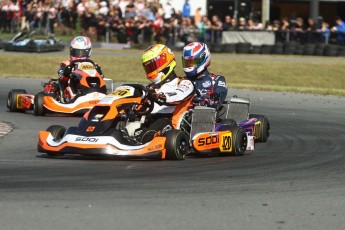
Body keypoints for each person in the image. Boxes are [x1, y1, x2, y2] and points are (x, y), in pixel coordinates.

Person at [134, 44, 195, 143]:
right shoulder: (150, 88)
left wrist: (160, 97)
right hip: (147, 120)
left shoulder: (184, 83)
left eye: (152, 66)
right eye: (148, 67)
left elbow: (178, 96)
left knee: (142, 138)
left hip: (168, 121)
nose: (150, 70)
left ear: (165, 62)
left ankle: (139, 142)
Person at [57, 36, 104, 102]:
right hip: (74, 90)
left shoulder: (93, 64)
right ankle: (75, 98)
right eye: (76, 52)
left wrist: (99, 72)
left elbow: (101, 77)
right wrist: (67, 73)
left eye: (82, 52)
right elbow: (61, 80)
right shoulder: (66, 64)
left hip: (90, 88)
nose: (79, 55)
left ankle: (100, 94)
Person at [182, 42, 227, 108]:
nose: (189, 65)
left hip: (205, 114)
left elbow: (219, 99)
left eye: (193, 62)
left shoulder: (216, 80)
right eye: (187, 63)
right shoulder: (182, 81)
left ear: (204, 59)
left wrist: (205, 99)